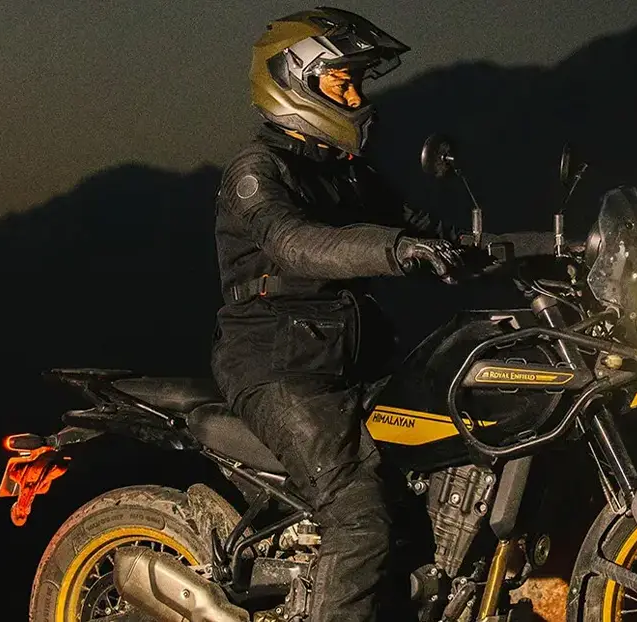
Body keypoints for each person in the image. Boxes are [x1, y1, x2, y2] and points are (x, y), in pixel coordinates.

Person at [210, 8, 555, 621]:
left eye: (357, 83)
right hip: (279, 372)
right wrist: (394, 249)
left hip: (355, 366)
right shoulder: (257, 173)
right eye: (343, 81)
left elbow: (443, 240)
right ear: (294, 80)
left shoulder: (351, 176)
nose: (357, 97)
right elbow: (297, 244)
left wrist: (562, 249)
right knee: (360, 515)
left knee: (435, 476)